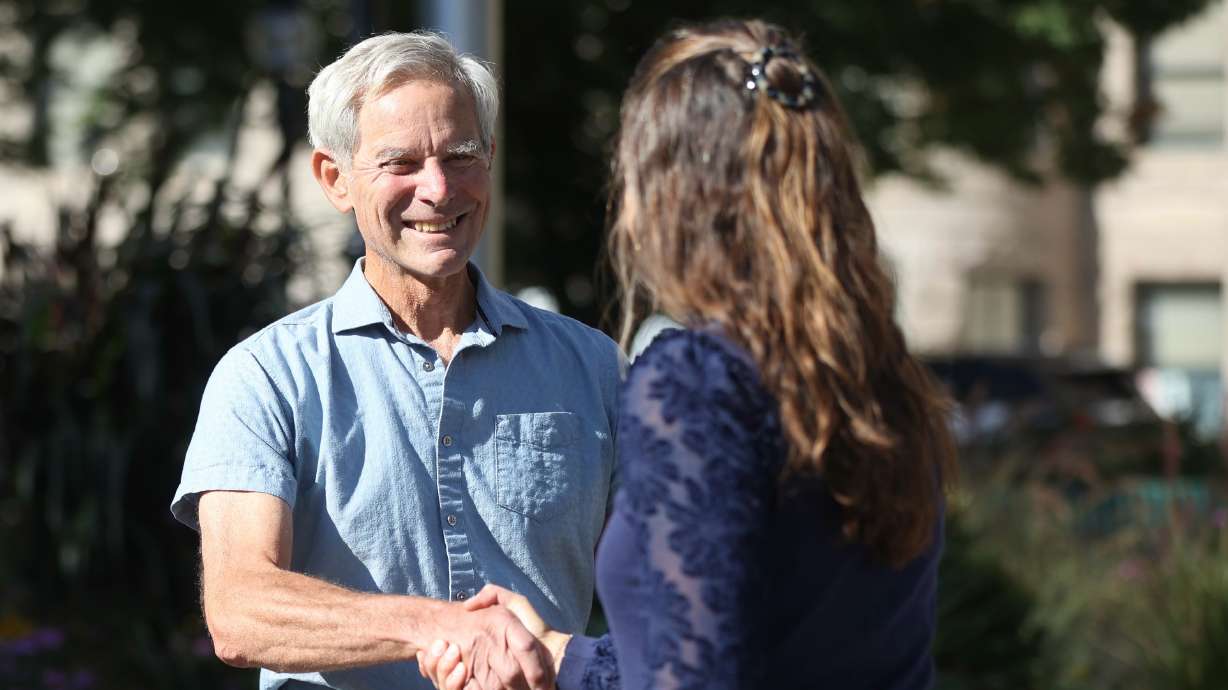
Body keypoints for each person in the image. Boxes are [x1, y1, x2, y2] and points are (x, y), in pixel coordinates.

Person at [419, 18, 957, 690]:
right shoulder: (876, 373)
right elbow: (735, 645)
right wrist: (562, 655)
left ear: (673, 189)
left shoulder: (701, 382)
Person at [169, 31, 624, 690]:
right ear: (335, 178)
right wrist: (440, 626)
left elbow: (673, 582)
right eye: (400, 162)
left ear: (490, 158)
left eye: (461, 154)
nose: (438, 188)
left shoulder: (592, 367)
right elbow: (241, 611)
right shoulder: (267, 376)